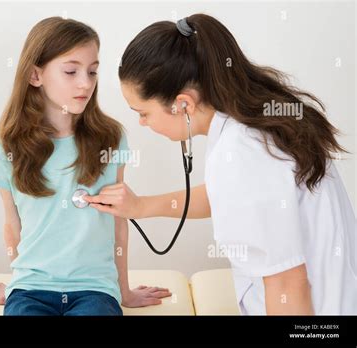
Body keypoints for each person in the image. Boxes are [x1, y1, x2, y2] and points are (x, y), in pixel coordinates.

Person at [84, 14, 357, 315]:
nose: (141, 123)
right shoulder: (249, 124)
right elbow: (230, 196)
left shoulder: (242, 153)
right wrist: (141, 207)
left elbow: (287, 284)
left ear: (183, 104)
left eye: (143, 112)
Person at [0, 17, 171, 315]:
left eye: (92, 71)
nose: (85, 83)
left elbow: (118, 222)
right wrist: (15, 284)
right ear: (35, 75)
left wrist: (123, 290)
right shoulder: (8, 148)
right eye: (71, 71)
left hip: (94, 289)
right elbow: (13, 226)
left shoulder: (110, 139)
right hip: (31, 289)